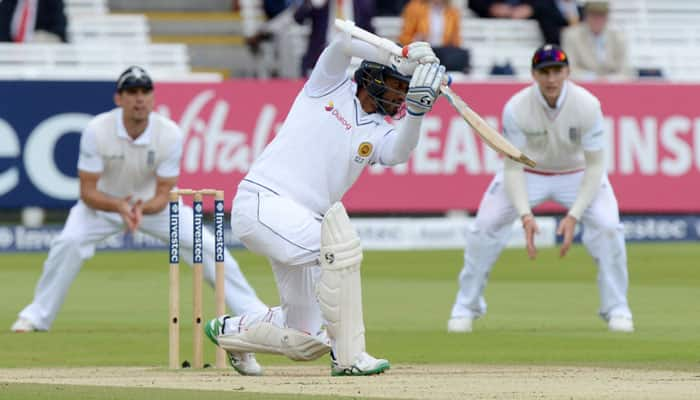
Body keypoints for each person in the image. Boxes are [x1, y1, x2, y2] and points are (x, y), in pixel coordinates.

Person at [204, 29, 446, 375]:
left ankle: (231, 331)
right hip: (263, 202)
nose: (402, 96)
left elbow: (399, 152)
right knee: (341, 249)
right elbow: (341, 44)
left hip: (299, 219)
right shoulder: (329, 85)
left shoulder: (380, 130)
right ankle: (349, 356)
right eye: (398, 86)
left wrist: (418, 114)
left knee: (302, 338)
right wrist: (398, 54)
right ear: (375, 76)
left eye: (407, 92)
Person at [11, 66, 269, 375]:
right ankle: (36, 317)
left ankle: (255, 314)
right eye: (131, 92)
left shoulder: (169, 133)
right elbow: (87, 191)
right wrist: (119, 206)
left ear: (152, 98)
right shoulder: (97, 129)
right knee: (68, 242)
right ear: (118, 98)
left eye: (145, 92)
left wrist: (140, 209)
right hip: (103, 205)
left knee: (208, 246)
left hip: (154, 207)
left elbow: (164, 192)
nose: (139, 99)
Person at [446, 44, 634, 334]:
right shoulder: (517, 107)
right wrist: (525, 216)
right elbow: (512, 167)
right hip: (528, 171)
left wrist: (573, 215)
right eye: (544, 72)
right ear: (534, 74)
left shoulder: (587, 105)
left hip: (577, 173)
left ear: (568, 72)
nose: (551, 79)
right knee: (485, 226)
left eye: (557, 71)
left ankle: (617, 308)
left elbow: (596, 167)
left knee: (609, 227)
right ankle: (466, 306)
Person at [561, 1, 635, 81]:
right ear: (586, 16)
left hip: (613, 88)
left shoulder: (618, 38)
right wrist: (593, 78)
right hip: (582, 88)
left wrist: (607, 80)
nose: (597, 20)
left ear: (607, 17)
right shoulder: (571, 35)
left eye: (601, 16)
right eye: (593, 15)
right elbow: (568, 71)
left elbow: (627, 72)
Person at [398, 0, 470, 73]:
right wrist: (417, 38)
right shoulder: (415, 7)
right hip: (423, 51)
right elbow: (404, 37)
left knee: (457, 57)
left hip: (443, 54)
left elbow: (456, 40)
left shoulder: (452, 11)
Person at [0, 0, 67, 43]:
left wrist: (44, 36)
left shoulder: (52, 2)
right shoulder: (8, 2)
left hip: (40, 54)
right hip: (10, 53)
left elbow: (59, 29)